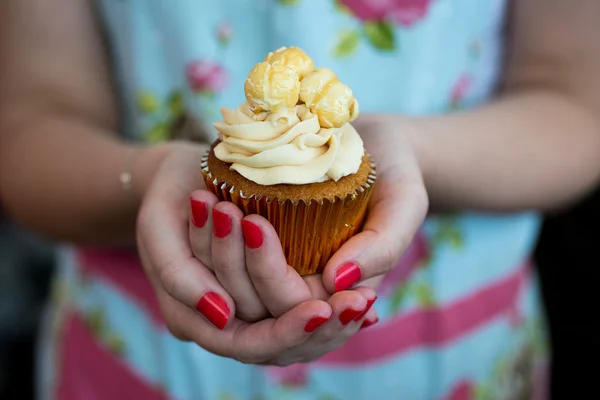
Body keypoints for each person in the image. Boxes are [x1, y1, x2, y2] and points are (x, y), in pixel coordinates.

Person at [0, 0, 599, 399]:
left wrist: (413, 151)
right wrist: (151, 176)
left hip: (453, 359)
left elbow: (577, 107)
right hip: (139, 359)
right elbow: (29, 127)